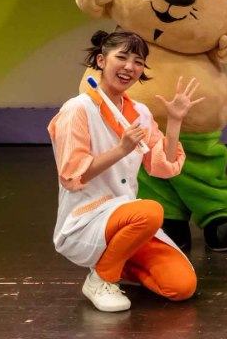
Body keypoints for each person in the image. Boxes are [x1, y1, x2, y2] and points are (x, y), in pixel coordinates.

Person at [49, 30, 200, 312]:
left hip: (128, 222)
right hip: (88, 219)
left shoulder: (140, 112)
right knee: (151, 211)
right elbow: (73, 176)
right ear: (101, 61)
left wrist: (175, 121)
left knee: (181, 287)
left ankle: (114, 262)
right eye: (122, 57)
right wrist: (121, 149)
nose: (130, 67)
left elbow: (162, 167)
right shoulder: (77, 109)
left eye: (138, 62)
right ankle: (101, 278)